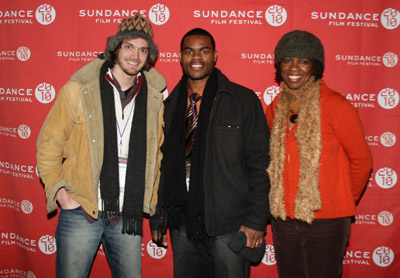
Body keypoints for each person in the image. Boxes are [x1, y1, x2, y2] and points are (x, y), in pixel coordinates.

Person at [36, 13, 166, 277]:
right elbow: (49, 143)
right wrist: (60, 191)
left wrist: (151, 201)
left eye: (143, 50)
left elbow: (158, 153)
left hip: (127, 212)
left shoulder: (153, 97)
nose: (135, 56)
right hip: (82, 208)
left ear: (149, 55)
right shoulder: (80, 88)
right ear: (115, 47)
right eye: (128, 46)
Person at [150, 28, 271, 278]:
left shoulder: (242, 100)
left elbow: (261, 164)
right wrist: (158, 216)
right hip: (181, 224)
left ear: (215, 56)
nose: (197, 57)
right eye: (189, 51)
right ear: (180, 57)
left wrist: (257, 220)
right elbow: (159, 167)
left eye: (204, 51)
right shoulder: (169, 106)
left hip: (229, 225)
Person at [266, 30, 373, 278]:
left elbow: (362, 161)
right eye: (287, 60)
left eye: (303, 61)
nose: (294, 67)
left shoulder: (337, 106)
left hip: (328, 219)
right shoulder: (275, 109)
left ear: (315, 66)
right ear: (279, 65)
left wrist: (340, 198)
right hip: (284, 219)